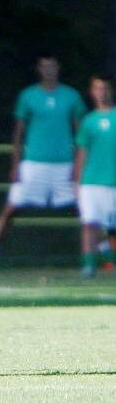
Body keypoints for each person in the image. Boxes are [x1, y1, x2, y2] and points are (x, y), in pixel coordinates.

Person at [0, 55, 86, 272]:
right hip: (33, 164)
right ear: (39, 69)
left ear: (58, 68)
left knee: (87, 209)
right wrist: (15, 164)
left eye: (52, 66)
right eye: (45, 67)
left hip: (64, 165)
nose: (49, 71)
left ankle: (103, 256)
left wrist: (78, 165)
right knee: (12, 208)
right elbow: (18, 132)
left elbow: (80, 132)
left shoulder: (71, 96)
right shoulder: (28, 96)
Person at [75, 75, 116, 277]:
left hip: (113, 181)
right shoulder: (89, 121)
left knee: (111, 228)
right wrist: (77, 180)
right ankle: (88, 264)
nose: (102, 92)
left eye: (105, 88)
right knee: (90, 223)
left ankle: (111, 261)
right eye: (98, 89)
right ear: (92, 92)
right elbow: (82, 153)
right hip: (91, 181)